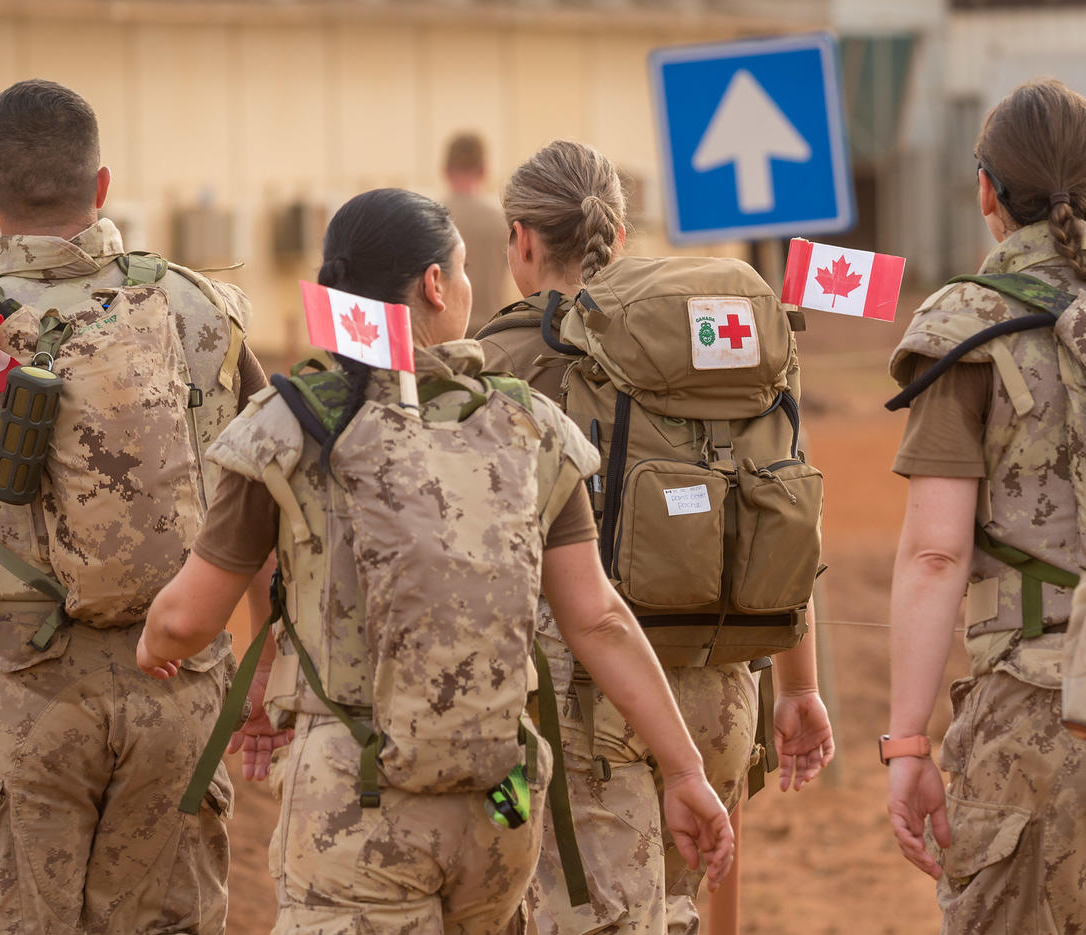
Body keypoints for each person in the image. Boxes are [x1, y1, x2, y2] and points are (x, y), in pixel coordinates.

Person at [137, 187, 736, 935]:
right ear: (434, 284)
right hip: (502, 800)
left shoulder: (293, 423)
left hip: (357, 808)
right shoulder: (527, 423)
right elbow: (601, 620)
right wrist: (683, 771)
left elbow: (189, 617)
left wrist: (153, 641)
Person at [0, 79, 268, 934]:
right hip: (179, 689)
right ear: (104, 186)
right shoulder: (204, 311)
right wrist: (264, 669)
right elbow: (264, 508)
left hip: (25, 700)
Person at [479, 139, 834, 935]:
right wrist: (801, 688)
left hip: (591, 701)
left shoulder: (507, 356)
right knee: (672, 914)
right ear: (620, 237)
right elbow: (779, 512)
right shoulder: (723, 346)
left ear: (523, 239)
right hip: (722, 688)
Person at [883, 79, 1086, 934]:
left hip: (1039, 716)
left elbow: (934, 556)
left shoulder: (967, 327)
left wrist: (907, 743)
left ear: (986, 193)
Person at [443, 131, 517, 336]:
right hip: (491, 334)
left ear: (446, 170)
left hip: (444, 337)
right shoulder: (504, 219)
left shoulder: (430, 216)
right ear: (484, 170)